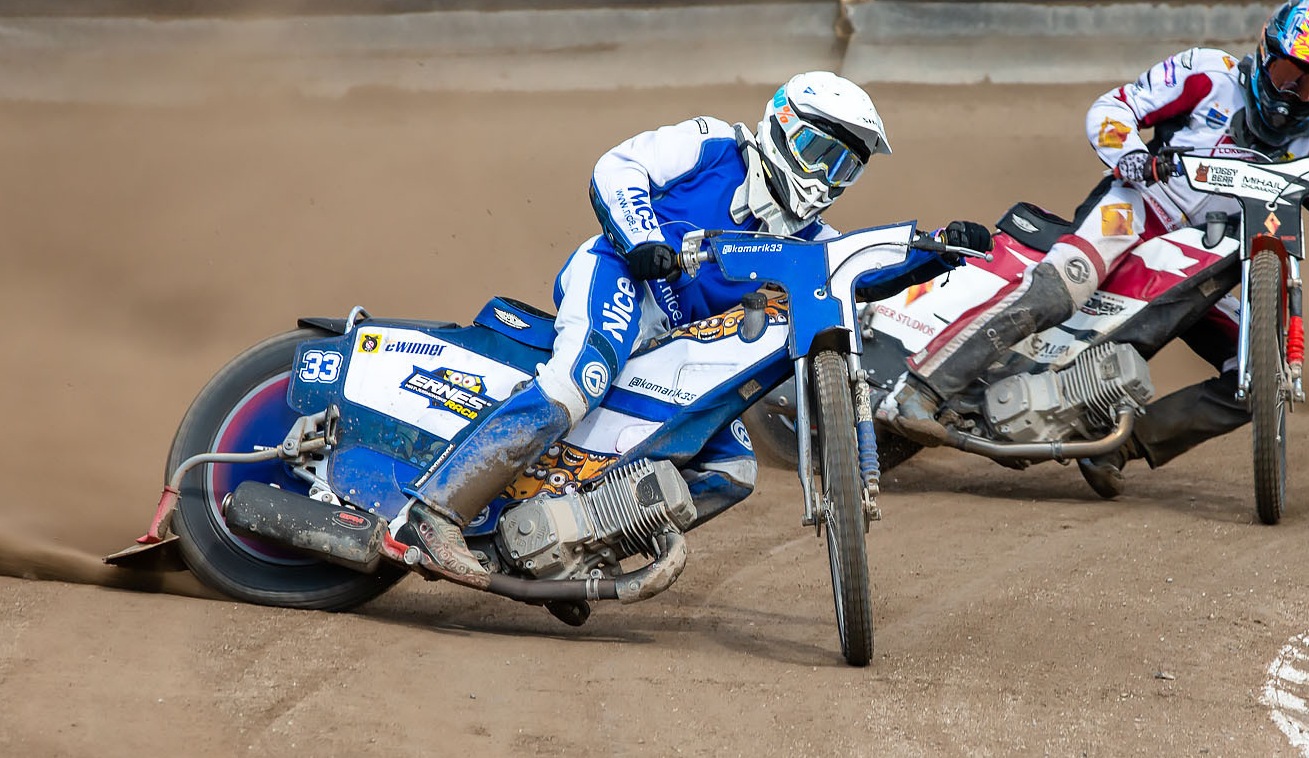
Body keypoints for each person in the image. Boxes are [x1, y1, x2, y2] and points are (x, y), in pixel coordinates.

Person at [390, 73, 984, 582]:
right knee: (580, 378)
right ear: (781, 125)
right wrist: (643, 238)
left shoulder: (810, 241)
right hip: (622, 276)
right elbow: (618, 166)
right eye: (817, 151)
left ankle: (574, 549)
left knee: (733, 469)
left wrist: (938, 251)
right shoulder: (713, 144)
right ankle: (433, 515)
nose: (825, 177)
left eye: (843, 166)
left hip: (677, 342)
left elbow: (859, 271)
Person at [881, 0, 1309, 490]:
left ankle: (1119, 447)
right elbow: (1112, 108)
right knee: (1058, 289)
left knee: (1261, 378)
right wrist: (1129, 155)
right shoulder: (1207, 73)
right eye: (1288, 73)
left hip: (1210, 264)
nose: (1292, 96)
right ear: (1265, 52)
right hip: (1138, 209)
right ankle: (921, 390)